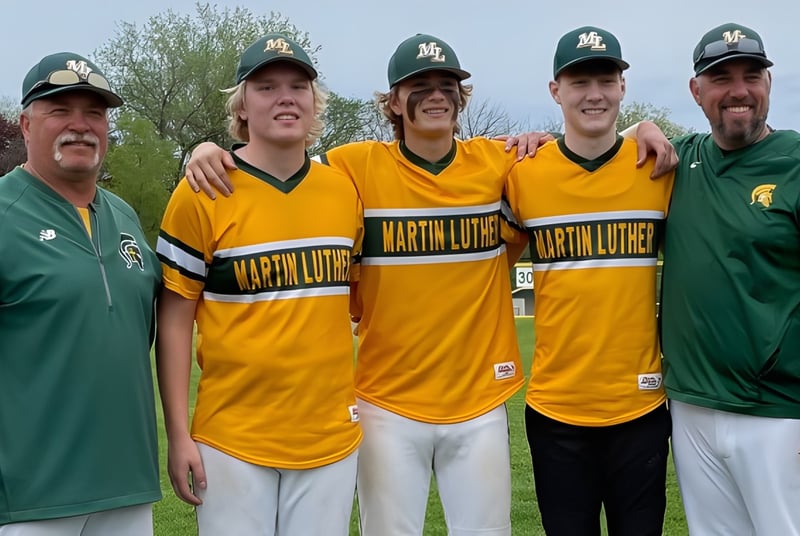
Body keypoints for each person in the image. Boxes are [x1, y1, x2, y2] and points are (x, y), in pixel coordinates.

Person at [186, 33, 527, 536]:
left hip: (480, 400)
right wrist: (206, 149)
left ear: (462, 96)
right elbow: (275, 164)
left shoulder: (500, 164)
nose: (435, 94)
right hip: (384, 401)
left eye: (446, 84)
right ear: (392, 101)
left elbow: (582, 156)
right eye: (419, 85)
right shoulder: (351, 167)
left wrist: (634, 128)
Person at [154, 33, 363, 536]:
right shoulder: (202, 190)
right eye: (266, 86)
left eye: (298, 85)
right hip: (232, 439)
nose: (285, 97)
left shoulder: (343, 190)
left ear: (315, 103)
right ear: (242, 106)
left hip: (329, 437)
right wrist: (178, 435)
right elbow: (175, 322)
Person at [505, 27, 674, 535]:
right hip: (557, 409)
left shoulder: (661, 166)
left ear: (623, 86)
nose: (594, 93)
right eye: (579, 82)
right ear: (555, 91)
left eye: (606, 79)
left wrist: (646, 125)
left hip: (641, 406)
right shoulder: (521, 172)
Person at [0, 53, 161, 535]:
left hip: (128, 486)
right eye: (59, 111)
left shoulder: (125, 216)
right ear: (26, 125)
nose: (80, 125)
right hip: (32, 497)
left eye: (94, 112)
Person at [653, 22, 800, 535]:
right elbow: (597, 148)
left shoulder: (795, 163)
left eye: (751, 75)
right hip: (690, 406)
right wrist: (638, 128)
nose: (739, 90)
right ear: (697, 91)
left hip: (777, 412)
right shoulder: (678, 162)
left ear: (768, 84)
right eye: (721, 77)